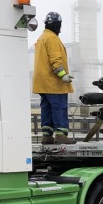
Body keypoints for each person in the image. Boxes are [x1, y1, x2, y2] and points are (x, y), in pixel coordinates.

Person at [32, 11, 74, 144]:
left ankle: (47, 136)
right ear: (56, 24)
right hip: (53, 83)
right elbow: (55, 59)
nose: (60, 28)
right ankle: (61, 135)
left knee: (46, 108)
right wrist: (63, 76)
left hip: (42, 83)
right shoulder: (52, 38)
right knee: (59, 107)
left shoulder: (41, 38)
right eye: (59, 25)